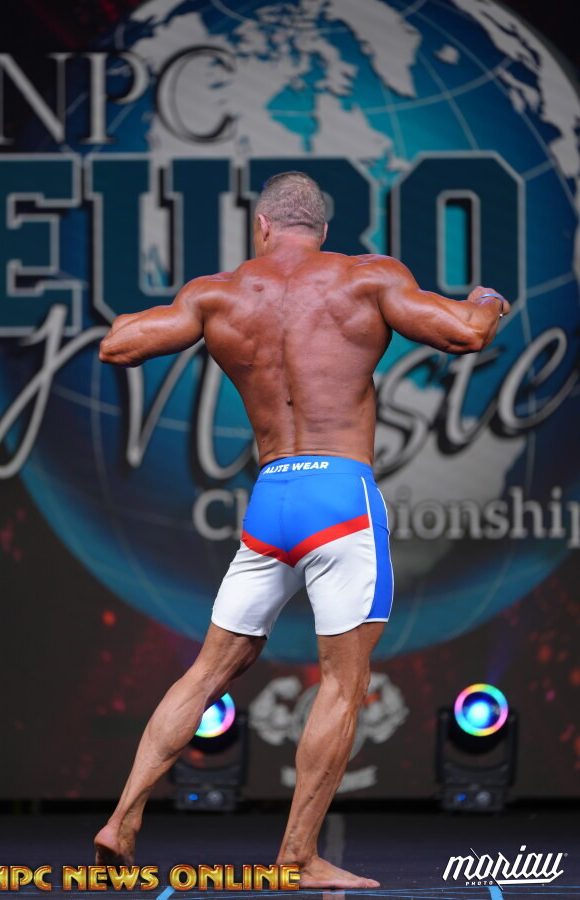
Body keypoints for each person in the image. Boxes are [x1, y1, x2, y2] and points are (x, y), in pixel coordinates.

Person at [94, 171, 509, 888]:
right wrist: (488, 301)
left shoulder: (217, 294)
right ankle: (296, 856)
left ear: (261, 226)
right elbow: (467, 334)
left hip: (272, 501)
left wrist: (171, 312)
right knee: (343, 684)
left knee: (208, 671)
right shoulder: (366, 277)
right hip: (340, 497)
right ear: (322, 228)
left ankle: (121, 820)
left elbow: (118, 345)